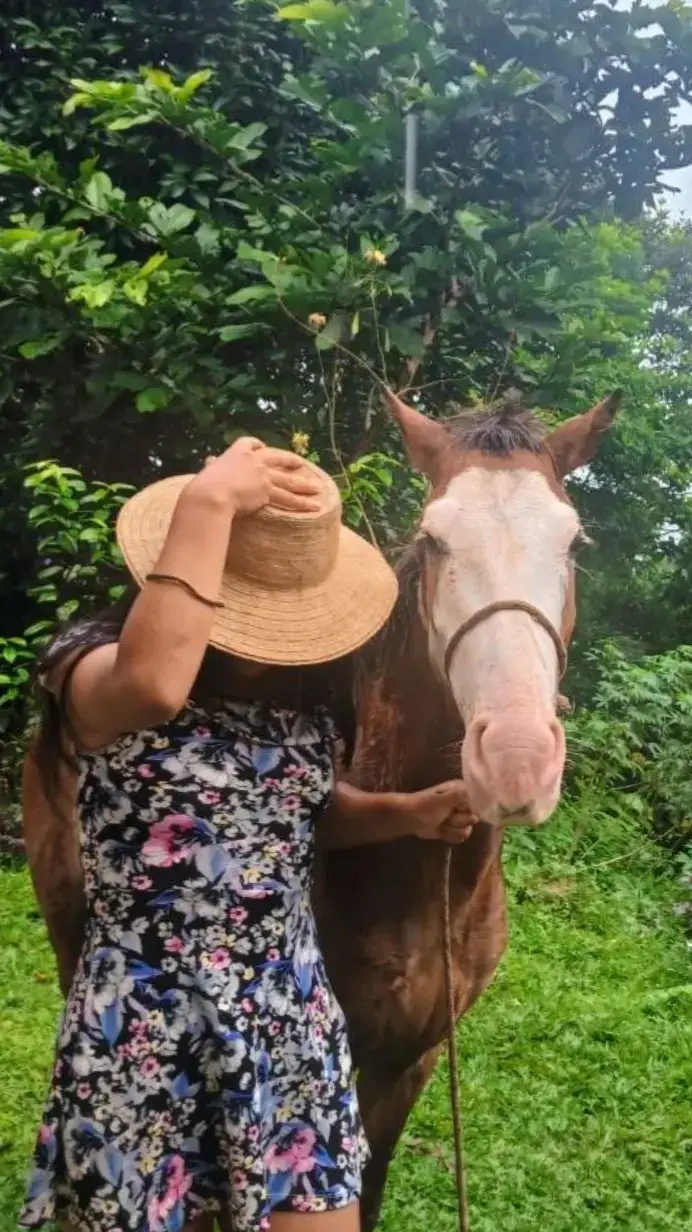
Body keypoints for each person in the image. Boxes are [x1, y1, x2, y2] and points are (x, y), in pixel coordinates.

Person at [20, 437, 475, 1232]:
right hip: (147, 1025)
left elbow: (291, 817)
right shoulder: (88, 665)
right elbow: (154, 687)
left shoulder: (303, 703)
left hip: (289, 1016)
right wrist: (208, 502)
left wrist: (408, 812)